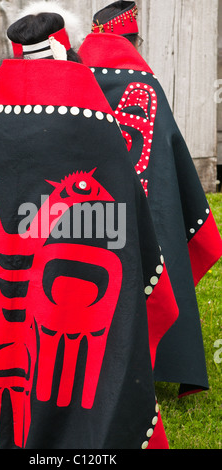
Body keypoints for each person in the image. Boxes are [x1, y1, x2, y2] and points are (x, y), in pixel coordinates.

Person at [0, 1, 179, 449]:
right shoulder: (93, 121)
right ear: (68, 54)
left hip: (11, 302)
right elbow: (124, 218)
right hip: (69, 299)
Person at [79, 0, 222, 398]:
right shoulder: (147, 86)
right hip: (145, 214)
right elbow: (165, 158)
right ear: (132, 39)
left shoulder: (74, 79)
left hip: (85, 216)